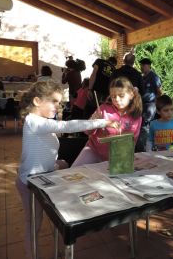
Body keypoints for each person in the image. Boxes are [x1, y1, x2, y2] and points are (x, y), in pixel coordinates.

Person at [16, 81, 117, 259]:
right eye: (54, 101)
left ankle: (59, 250)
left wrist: (58, 165)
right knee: (34, 223)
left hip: (44, 179)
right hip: (30, 182)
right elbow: (66, 126)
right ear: (37, 101)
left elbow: (46, 152)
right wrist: (101, 122)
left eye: (60, 102)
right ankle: (32, 255)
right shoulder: (34, 121)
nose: (59, 106)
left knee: (56, 218)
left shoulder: (43, 122)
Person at [72, 77, 143, 166]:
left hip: (117, 156)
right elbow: (87, 132)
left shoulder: (136, 116)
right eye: (113, 96)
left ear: (131, 95)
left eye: (121, 95)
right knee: (75, 171)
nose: (116, 99)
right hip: (93, 151)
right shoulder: (103, 109)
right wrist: (93, 122)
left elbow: (133, 141)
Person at [136, 57, 163, 152]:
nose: (141, 67)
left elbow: (159, 92)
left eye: (143, 65)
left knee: (145, 126)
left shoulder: (154, 77)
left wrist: (157, 105)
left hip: (150, 105)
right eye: (141, 65)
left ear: (148, 66)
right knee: (141, 125)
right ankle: (142, 146)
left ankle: (143, 149)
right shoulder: (143, 77)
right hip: (142, 105)